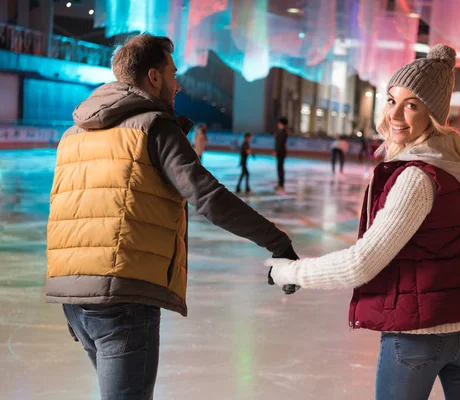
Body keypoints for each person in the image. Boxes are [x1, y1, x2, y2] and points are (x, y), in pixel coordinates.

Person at [45, 34, 298, 400]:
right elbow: (208, 197)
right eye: (173, 73)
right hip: (123, 300)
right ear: (153, 77)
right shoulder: (155, 126)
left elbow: (64, 214)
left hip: (74, 299)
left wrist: (72, 289)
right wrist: (277, 241)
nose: (177, 84)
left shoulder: (73, 135)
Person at [265, 44, 460, 400]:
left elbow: (361, 264)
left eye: (412, 104)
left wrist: (290, 272)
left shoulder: (418, 179)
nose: (396, 114)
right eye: (392, 100)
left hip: (416, 340)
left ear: (433, 113)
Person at [274, 117, 289, 193]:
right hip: (281, 152)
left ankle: (281, 185)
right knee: (279, 168)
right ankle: (280, 184)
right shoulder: (282, 132)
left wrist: (276, 151)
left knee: (280, 169)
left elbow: (280, 143)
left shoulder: (283, 132)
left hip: (281, 153)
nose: (278, 124)